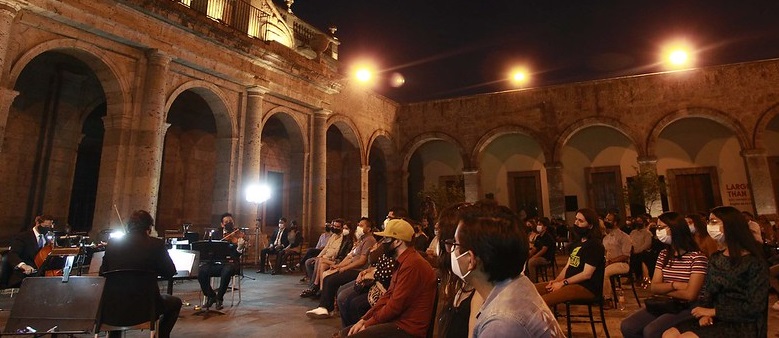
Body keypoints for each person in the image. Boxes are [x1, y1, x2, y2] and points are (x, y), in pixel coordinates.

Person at [452, 202, 563, 337]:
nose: (452, 251)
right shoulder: (518, 284)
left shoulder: (501, 324)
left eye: (455, 245)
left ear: (471, 259)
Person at [664, 206, 769, 338]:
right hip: (715, 316)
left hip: (743, 322)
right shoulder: (716, 258)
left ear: (731, 225)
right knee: (669, 334)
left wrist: (713, 312)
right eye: (709, 221)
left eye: (714, 222)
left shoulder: (754, 262)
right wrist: (704, 314)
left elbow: (755, 307)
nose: (709, 226)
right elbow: (709, 293)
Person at [339, 219, 436, 338]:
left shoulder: (412, 264)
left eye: (386, 239)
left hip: (407, 328)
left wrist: (368, 324)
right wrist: (364, 319)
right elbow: (388, 295)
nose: (383, 243)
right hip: (397, 321)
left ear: (398, 242)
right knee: (344, 333)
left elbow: (395, 306)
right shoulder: (403, 260)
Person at [620, 211, 707, 338]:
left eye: (661, 227)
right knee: (628, 326)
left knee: (651, 331)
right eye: (657, 227)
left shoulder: (697, 257)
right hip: (666, 303)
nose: (658, 231)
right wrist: (675, 285)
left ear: (675, 228)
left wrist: (665, 289)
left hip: (688, 307)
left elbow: (690, 294)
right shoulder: (664, 254)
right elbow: (654, 287)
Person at [100, 210, 182, 338]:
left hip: (113, 308)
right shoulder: (156, 244)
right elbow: (170, 272)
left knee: (120, 301)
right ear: (149, 227)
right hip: (146, 308)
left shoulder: (113, 244)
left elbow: (103, 272)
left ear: (129, 226)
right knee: (175, 303)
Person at [307, 218, 376, 318]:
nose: (358, 228)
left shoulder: (369, 240)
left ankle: (325, 307)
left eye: (361, 226)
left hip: (358, 270)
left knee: (331, 280)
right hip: (352, 267)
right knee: (327, 277)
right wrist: (339, 266)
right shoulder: (362, 240)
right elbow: (351, 257)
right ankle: (325, 307)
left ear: (369, 229)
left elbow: (361, 261)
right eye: (358, 225)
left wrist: (345, 268)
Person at [535, 208, 605, 307]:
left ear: (590, 225)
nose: (576, 223)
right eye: (576, 219)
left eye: (580, 221)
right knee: (532, 290)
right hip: (569, 283)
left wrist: (563, 283)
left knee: (542, 302)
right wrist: (556, 281)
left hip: (586, 287)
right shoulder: (577, 243)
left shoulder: (594, 245)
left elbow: (586, 274)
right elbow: (567, 266)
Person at [198, 212, 243, 310]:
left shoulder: (238, 235)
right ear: (222, 224)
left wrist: (239, 247)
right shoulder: (216, 234)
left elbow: (237, 255)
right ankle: (211, 296)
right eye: (226, 222)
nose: (229, 223)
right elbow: (209, 250)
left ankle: (219, 298)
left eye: (231, 221)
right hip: (216, 263)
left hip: (231, 263)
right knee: (201, 271)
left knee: (227, 271)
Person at [6, 215, 56, 287]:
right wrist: (24, 266)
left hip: (41, 277)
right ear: (37, 223)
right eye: (45, 226)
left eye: (49, 227)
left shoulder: (48, 238)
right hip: (24, 277)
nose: (47, 230)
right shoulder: (23, 237)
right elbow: (12, 254)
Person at [602, 218, 633, 306]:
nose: (606, 221)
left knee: (605, 273)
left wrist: (611, 262)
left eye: (609, 219)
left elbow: (626, 255)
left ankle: (607, 299)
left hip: (622, 264)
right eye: (606, 219)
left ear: (615, 222)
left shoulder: (624, 237)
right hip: (609, 263)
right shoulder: (606, 238)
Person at [527, 217, 556, 283]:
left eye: (540, 224)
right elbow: (535, 248)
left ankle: (533, 282)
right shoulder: (539, 237)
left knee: (531, 262)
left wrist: (534, 257)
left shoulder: (547, 237)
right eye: (537, 224)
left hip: (546, 258)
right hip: (539, 257)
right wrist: (528, 255)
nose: (538, 226)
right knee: (526, 259)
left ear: (545, 227)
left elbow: (543, 250)